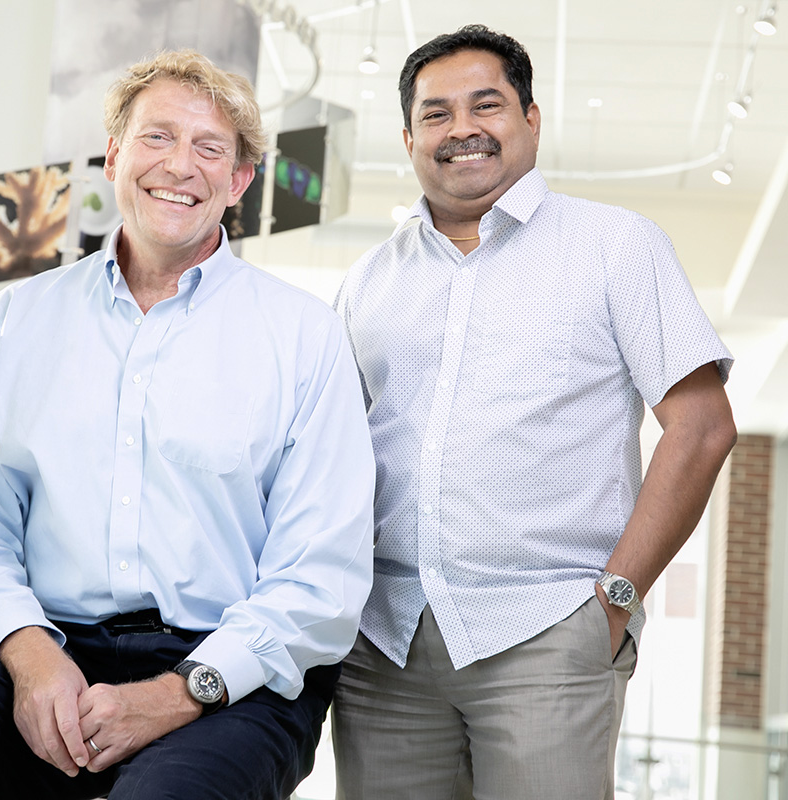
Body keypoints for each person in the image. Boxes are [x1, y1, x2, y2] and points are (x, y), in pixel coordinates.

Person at [0, 48, 375, 800]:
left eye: (209, 148)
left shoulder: (303, 337)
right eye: (157, 138)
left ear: (239, 181)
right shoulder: (17, 320)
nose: (180, 166)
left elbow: (320, 577)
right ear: (114, 156)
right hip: (51, 645)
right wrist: (29, 654)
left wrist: (176, 693)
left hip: (229, 676)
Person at [330, 24, 737, 800]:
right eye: (438, 114)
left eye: (487, 105)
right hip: (384, 644)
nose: (463, 129)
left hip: (547, 632)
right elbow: (330, 454)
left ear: (531, 120)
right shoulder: (369, 279)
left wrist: (616, 601)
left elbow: (703, 426)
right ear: (410, 136)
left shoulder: (615, 245)